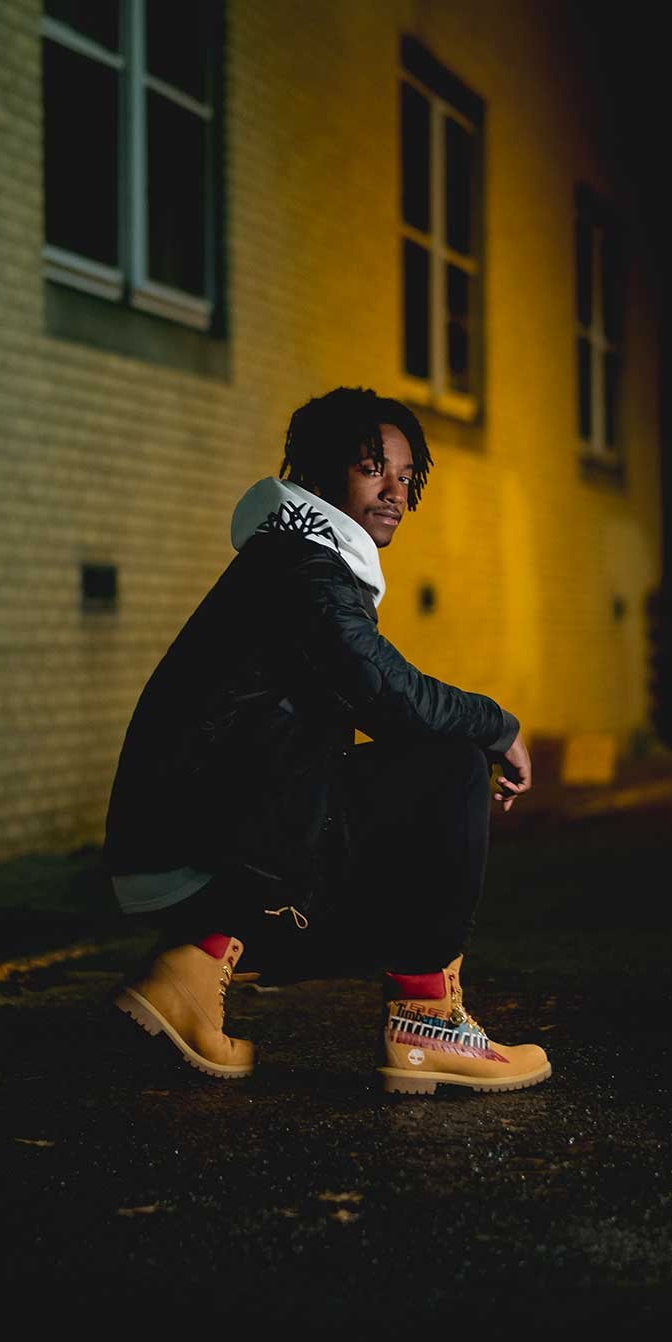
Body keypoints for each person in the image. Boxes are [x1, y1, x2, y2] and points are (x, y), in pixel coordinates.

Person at [104, 386, 550, 1096]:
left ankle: (188, 971)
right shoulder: (305, 566)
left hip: (189, 840)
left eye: (407, 477)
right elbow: (384, 687)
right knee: (452, 769)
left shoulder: (294, 560)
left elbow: (371, 702)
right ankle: (427, 1017)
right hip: (200, 844)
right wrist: (499, 726)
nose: (395, 491)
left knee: (423, 772)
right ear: (321, 471)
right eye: (374, 468)